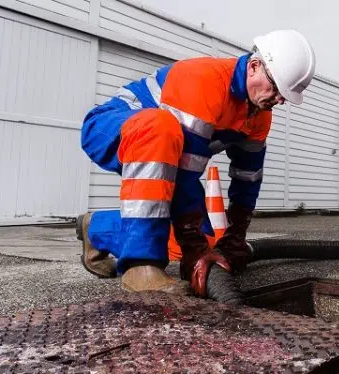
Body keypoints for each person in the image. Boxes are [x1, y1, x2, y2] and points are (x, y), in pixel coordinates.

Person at [76, 30, 316, 297]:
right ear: (254, 66)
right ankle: (140, 267)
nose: (280, 99)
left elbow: (247, 178)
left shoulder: (259, 113)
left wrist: (234, 238)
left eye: (285, 94)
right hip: (111, 127)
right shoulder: (204, 80)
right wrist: (194, 247)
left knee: (200, 244)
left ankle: (98, 229)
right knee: (160, 128)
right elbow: (182, 176)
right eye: (277, 88)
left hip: (164, 151)